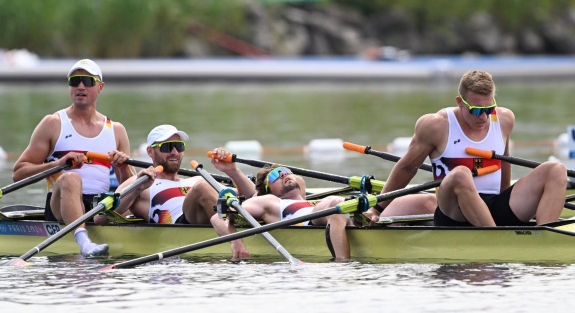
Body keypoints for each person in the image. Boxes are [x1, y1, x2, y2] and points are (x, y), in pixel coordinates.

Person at [364, 70, 567, 227]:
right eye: (477, 110)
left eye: (489, 109)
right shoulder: (436, 125)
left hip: (494, 204)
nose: (484, 117)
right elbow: (407, 168)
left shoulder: (504, 119)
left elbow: (504, 162)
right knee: (460, 173)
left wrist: (507, 200)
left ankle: (547, 236)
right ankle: (497, 241)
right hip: (454, 212)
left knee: (556, 169)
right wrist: (377, 208)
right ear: (460, 102)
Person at [12, 59, 135, 257]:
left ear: (100, 87)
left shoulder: (116, 130)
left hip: (98, 207)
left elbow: (129, 185)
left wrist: (122, 168)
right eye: (75, 81)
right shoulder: (53, 123)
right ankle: (84, 242)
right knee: (70, 177)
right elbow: (18, 172)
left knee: (140, 183)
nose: (80, 86)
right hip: (60, 203)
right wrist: (58, 164)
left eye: (87, 81)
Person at [93, 126, 255, 246]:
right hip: (180, 223)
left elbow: (251, 197)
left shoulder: (194, 179)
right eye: (167, 147)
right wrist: (137, 189)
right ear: (150, 152)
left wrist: (233, 171)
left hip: (214, 215)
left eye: (179, 147)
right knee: (203, 187)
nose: (174, 152)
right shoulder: (142, 181)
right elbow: (100, 218)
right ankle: (238, 238)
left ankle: (238, 224)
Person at [209, 154, 355, 262]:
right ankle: (341, 266)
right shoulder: (270, 201)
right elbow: (218, 217)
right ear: (268, 190)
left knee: (359, 204)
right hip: (313, 220)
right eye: (274, 176)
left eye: (285, 171)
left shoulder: (309, 198)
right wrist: (236, 243)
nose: (283, 173)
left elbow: (300, 180)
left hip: (336, 213)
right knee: (336, 203)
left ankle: (373, 216)